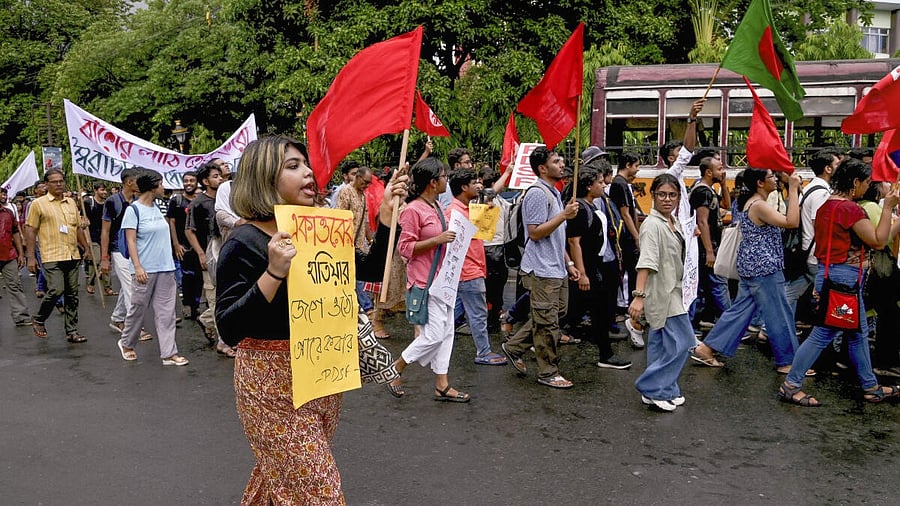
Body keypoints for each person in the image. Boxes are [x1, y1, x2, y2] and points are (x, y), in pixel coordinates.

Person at [215, 135, 408, 503]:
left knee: (280, 476)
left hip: (322, 372)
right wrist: (273, 272)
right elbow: (229, 327)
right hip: (270, 384)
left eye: (306, 165)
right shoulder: (244, 240)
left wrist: (385, 219)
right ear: (265, 177)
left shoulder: (318, 229)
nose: (308, 173)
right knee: (318, 489)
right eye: (293, 166)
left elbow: (367, 268)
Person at [778, 159, 900, 406]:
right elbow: (878, 240)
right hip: (845, 279)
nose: (868, 188)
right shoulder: (851, 210)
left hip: (828, 275)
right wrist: (887, 208)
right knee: (824, 333)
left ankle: (870, 386)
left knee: (857, 333)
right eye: (866, 183)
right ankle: (791, 385)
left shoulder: (827, 206)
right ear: (855, 182)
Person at [692, 168, 803, 374]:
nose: (776, 180)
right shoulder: (759, 205)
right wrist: (794, 189)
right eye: (771, 177)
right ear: (760, 183)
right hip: (764, 266)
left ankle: (707, 348)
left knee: (740, 311)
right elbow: (792, 222)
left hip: (751, 265)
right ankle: (787, 361)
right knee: (778, 312)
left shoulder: (749, 202)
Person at [387, 157, 471, 401]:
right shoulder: (413, 210)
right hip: (424, 282)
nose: (447, 180)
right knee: (433, 335)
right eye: (444, 176)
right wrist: (438, 240)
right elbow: (405, 248)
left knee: (447, 332)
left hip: (442, 281)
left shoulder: (435, 207)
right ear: (433, 182)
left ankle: (442, 384)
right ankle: (396, 368)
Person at [500, 146, 580, 389]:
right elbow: (534, 233)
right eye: (557, 161)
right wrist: (563, 216)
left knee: (556, 313)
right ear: (543, 168)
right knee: (547, 323)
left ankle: (514, 346)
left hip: (557, 267)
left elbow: (556, 234)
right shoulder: (537, 193)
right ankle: (548, 371)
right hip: (541, 270)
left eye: (562, 160)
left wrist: (569, 263)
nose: (563, 164)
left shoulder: (553, 193)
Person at [629, 174, 693, 411]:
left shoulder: (671, 222)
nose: (667, 199)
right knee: (684, 341)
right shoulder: (652, 225)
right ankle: (652, 386)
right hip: (663, 293)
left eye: (673, 195)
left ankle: (664, 389)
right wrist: (639, 296)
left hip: (672, 289)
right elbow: (646, 261)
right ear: (653, 196)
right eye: (662, 194)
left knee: (660, 343)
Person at [115, 169, 187, 366]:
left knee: (166, 312)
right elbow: (130, 241)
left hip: (165, 267)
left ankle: (169, 353)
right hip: (144, 269)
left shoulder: (158, 207)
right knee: (138, 309)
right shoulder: (134, 210)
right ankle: (126, 343)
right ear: (153, 187)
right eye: (161, 184)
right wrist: (137, 267)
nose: (164, 187)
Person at [566, 167, 631, 370]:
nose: (604, 185)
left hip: (601, 266)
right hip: (590, 267)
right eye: (600, 182)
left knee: (596, 311)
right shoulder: (579, 208)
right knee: (571, 312)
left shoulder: (593, 205)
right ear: (588, 186)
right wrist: (582, 273)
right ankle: (523, 343)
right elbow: (574, 242)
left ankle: (606, 354)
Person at [445, 168, 507, 366]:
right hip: (468, 270)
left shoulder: (467, 209)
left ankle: (432, 343)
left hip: (472, 268)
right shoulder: (455, 212)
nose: (478, 186)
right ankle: (483, 351)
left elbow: (482, 234)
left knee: (453, 313)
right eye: (474, 183)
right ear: (464, 187)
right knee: (478, 313)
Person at [25, 169, 92, 342]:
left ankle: (72, 331)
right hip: (51, 255)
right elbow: (31, 230)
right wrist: (30, 256)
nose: (59, 184)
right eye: (54, 182)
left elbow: (76, 228)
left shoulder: (70, 202)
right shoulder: (38, 204)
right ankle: (39, 319)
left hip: (72, 254)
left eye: (61, 181)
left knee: (72, 294)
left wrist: (86, 247)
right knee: (56, 289)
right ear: (46, 184)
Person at [185, 162, 231, 356]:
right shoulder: (198, 203)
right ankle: (223, 342)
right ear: (205, 181)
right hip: (209, 255)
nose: (219, 179)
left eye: (220, 176)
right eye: (215, 176)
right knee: (214, 298)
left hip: (227, 253)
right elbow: (189, 231)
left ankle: (206, 320)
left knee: (226, 296)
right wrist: (201, 254)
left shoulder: (226, 198)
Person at [689, 156, 732, 328]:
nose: (723, 171)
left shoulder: (710, 190)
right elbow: (702, 221)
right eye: (719, 168)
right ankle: (730, 325)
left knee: (703, 287)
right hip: (706, 248)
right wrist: (709, 251)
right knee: (718, 285)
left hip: (710, 247)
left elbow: (726, 205)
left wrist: (723, 184)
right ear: (708, 172)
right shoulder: (702, 192)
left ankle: (694, 324)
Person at [101, 168, 145, 335]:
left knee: (131, 285)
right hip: (118, 249)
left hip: (135, 249)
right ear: (129, 182)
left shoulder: (138, 202)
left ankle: (117, 318)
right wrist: (105, 258)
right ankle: (133, 326)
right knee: (131, 288)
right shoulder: (113, 202)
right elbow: (105, 231)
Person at [167, 171, 202, 319]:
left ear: (197, 182)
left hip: (199, 245)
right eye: (186, 181)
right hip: (183, 246)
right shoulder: (177, 201)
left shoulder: (201, 200)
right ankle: (187, 304)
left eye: (191, 181)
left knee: (200, 276)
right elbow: (172, 222)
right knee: (186, 276)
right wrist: (175, 244)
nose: (188, 184)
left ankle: (196, 304)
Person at [0, 187, 30, 326]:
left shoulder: (8, 213)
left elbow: (15, 233)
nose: (2, 196)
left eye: (4, 193)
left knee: (14, 285)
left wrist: (21, 254)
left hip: (9, 255)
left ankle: (21, 317)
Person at [82, 181, 114, 296]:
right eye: (102, 190)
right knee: (96, 261)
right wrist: (86, 239)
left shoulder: (108, 204)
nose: (104, 192)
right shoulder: (88, 203)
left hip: (106, 236)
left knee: (106, 260)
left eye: (105, 190)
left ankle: (108, 287)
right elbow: (84, 221)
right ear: (95, 191)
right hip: (93, 236)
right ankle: (91, 283)